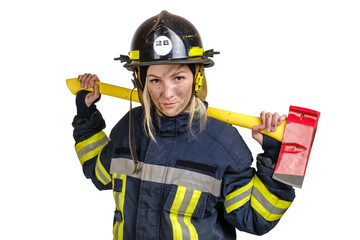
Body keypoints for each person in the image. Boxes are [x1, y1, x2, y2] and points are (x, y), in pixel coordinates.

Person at [72, 10, 295, 240]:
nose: (167, 94)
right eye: (155, 80)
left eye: (178, 78)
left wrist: (279, 158)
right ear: (140, 81)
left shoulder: (223, 144)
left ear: (197, 77)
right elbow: (98, 171)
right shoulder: (129, 129)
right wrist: (86, 117)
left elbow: (256, 218)